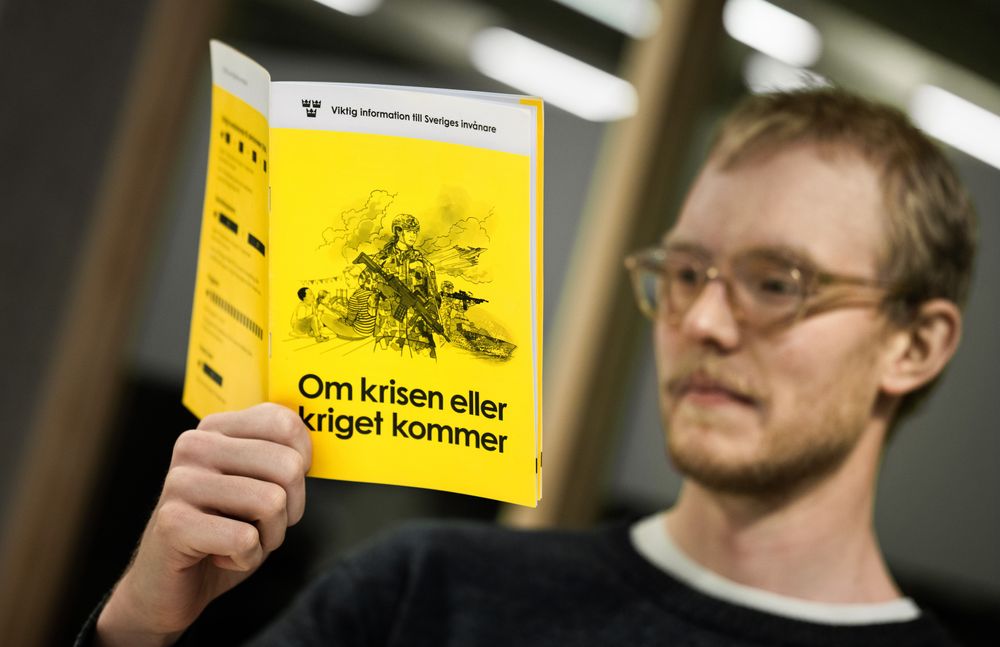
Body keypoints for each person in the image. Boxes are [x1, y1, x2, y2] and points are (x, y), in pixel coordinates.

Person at [82, 88, 974, 646]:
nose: (703, 320)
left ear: (915, 344)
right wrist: (140, 626)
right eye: (686, 271)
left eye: (778, 284)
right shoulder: (427, 593)